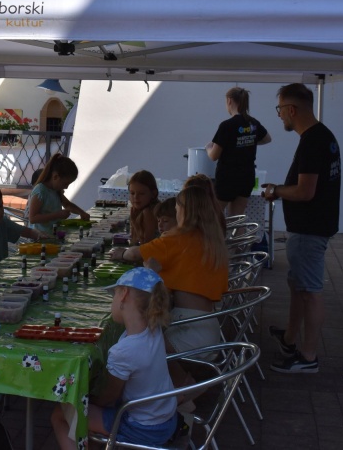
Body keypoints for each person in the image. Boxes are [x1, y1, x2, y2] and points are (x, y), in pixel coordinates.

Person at [50, 267, 177, 449]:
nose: (113, 301)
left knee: (61, 413)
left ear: (124, 294)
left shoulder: (124, 351)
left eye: (114, 295)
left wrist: (83, 399)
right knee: (83, 410)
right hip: (166, 417)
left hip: (143, 428)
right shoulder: (153, 328)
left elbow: (108, 399)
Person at [264, 83, 341, 374]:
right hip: (310, 228)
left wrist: (275, 191)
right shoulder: (323, 136)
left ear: (292, 110)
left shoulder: (312, 141)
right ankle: (290, 339)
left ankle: (308, 357)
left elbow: (305, 191)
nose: (279, 115)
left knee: (309, 291)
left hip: (309, 230)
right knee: (298, 286)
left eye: (280, 109)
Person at [110, 186, 229, 354]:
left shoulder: (178, 238)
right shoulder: (212, 239)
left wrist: (122, 254)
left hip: (188, 329)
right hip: (208, 326)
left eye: (177, 207)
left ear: (183, 210)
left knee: (134, 346)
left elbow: (136, 253)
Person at [206, 87, 272, 217]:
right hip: (246, 176)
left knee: (214, 216)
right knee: (237, 218)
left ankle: (217, 232)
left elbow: (214, 156)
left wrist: (208, 147)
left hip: (227, 178)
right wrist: (248, 141)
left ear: (229, 101)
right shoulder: (253, 123)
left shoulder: (227, 125)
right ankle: (238, 232)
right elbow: (267, 139)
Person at [0, 184, 44, 268]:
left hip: (2, 271)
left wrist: (39, 234)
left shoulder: (3, 222)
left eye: (1, 206)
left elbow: (27, 231)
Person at [25, 153, 90, 234]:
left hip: (53, 234)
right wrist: (57, 215)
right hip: (40, 236)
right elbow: (33, 218)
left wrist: (82, 213)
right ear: (55, 177)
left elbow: (67, 205)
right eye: (65, 183)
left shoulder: (56, 190)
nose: (66, 187)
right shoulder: (40, 190)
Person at [128, 170, 160, 245]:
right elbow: (133, 239)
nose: (136, 197)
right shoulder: (138, 210)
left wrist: (134, 221)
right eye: (132, 193)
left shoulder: (148, 212)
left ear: (153, 193)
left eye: (141, 193)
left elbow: (146, 245)